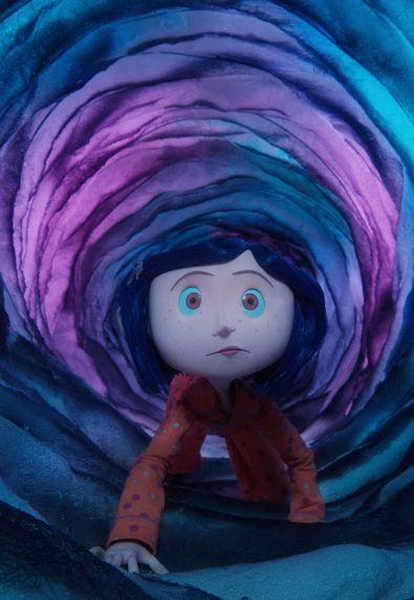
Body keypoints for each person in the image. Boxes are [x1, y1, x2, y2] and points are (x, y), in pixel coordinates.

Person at [90, 235, 327, 574]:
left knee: (266, 485)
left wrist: (308, 517)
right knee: (178, 459)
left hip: (243, 414)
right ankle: (188, 470)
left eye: (250, 300)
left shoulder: (256, 405)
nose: (224, 325)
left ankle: (267, 503)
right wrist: (131, 535)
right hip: (194, 407)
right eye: (192, 300)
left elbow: (299, 456)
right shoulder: (186, 401)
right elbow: (152, 463)